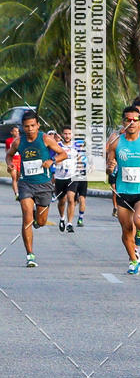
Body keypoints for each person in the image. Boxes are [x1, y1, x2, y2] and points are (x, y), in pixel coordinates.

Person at [6, 111, 67, 267]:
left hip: (44, 185)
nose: (30, 129)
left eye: (33, 125)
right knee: (26, 217)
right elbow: (9, 155)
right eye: (26, 126)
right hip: (25, 184)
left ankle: (37, 217)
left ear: (38, 125)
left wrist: (51, 160)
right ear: (22, 127)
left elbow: (63, 154)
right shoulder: (19, 142)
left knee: (40, 221)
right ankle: (30, 255)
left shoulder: (46, 139)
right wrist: (10, 164)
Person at [106, 105, 140, 274]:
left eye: (134, 120)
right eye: (128, 120)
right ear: (123, 122)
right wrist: (110, 167)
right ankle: (133, 260)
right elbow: (110, 164)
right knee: (126, 229)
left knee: (139, 223)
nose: (131, 123)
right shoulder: (115, 141)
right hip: (123, 191)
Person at [54, 126, 79, 233]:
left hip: (72, 176)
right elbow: (51, 159)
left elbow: (82, 158)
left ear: (72, 135)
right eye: (65, 134)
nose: (67, 136)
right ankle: (62, 218)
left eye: (69, 134)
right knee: (62, 200)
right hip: (59, 177)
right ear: (61, 134)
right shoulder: (57, 146)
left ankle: (69, 223)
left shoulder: (77, 146)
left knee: (70, 198)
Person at [6, 125, 21, 200]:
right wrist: (9, 162)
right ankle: (17, 194)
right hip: (13, 160)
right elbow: (7, 151)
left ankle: (20, 191)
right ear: (11, 132)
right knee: (14, 177)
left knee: (19, 177)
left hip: (20, 160)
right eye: (15, 131)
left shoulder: (21, 140)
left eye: (18, 131)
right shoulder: (8, 140)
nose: (16, 133)